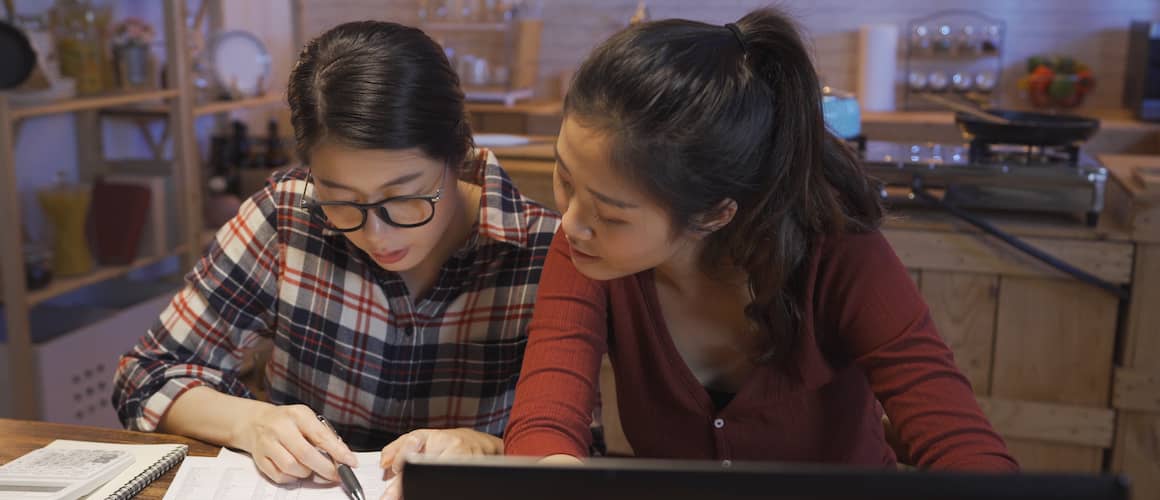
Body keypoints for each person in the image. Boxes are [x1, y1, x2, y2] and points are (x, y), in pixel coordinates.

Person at [503, 7, 1018, 471]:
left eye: (612, 215)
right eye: (565, 179)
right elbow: (547, 410)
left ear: (714, 214)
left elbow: (956, 434)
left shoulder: (838, 253)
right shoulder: (588, 252)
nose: (570, 223)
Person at [113, 20, 560, 486]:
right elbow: (145, 374)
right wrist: (250, 421)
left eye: (403, 198)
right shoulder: (288, 215)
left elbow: (580, 454)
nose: (376, 233)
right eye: (342, 199)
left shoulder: (541, 251)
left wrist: (489, 447)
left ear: (458, 152)